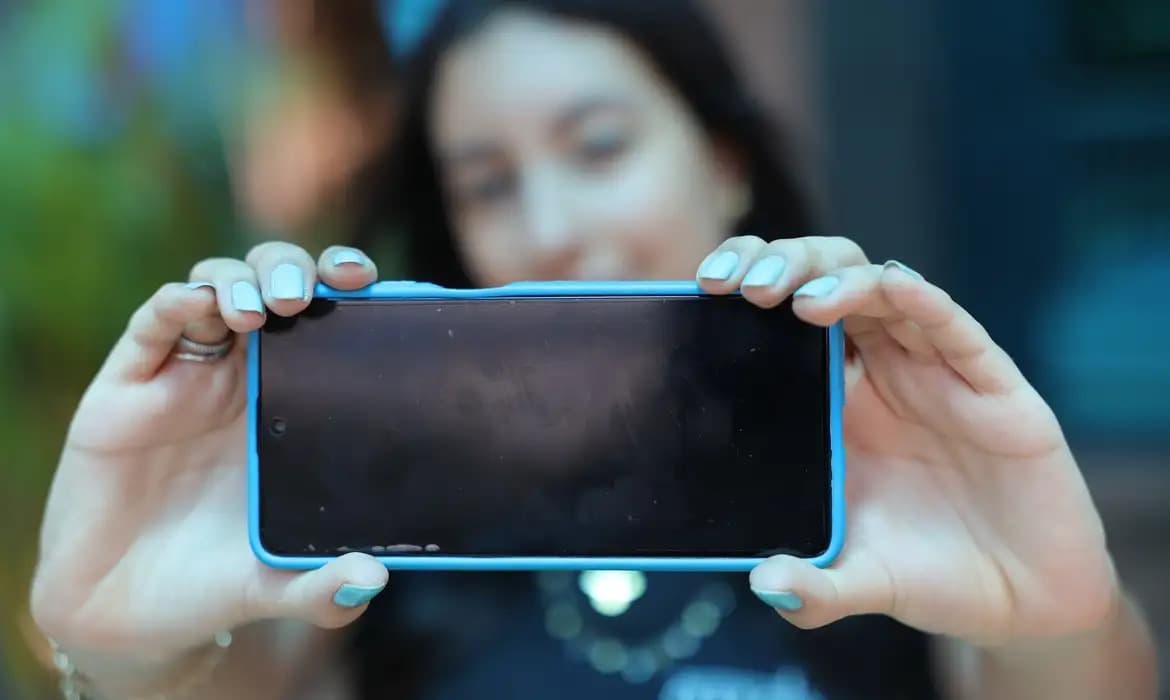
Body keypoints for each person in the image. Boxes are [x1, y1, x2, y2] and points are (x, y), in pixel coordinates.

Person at [30, 0, 1156, 698]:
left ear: (721, 159)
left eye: (600, 145)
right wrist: (133, 659)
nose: (554, 223)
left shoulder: (888, 484)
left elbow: (1066, 675)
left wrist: (1066, 617)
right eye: (488, 181)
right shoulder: (372, 543)